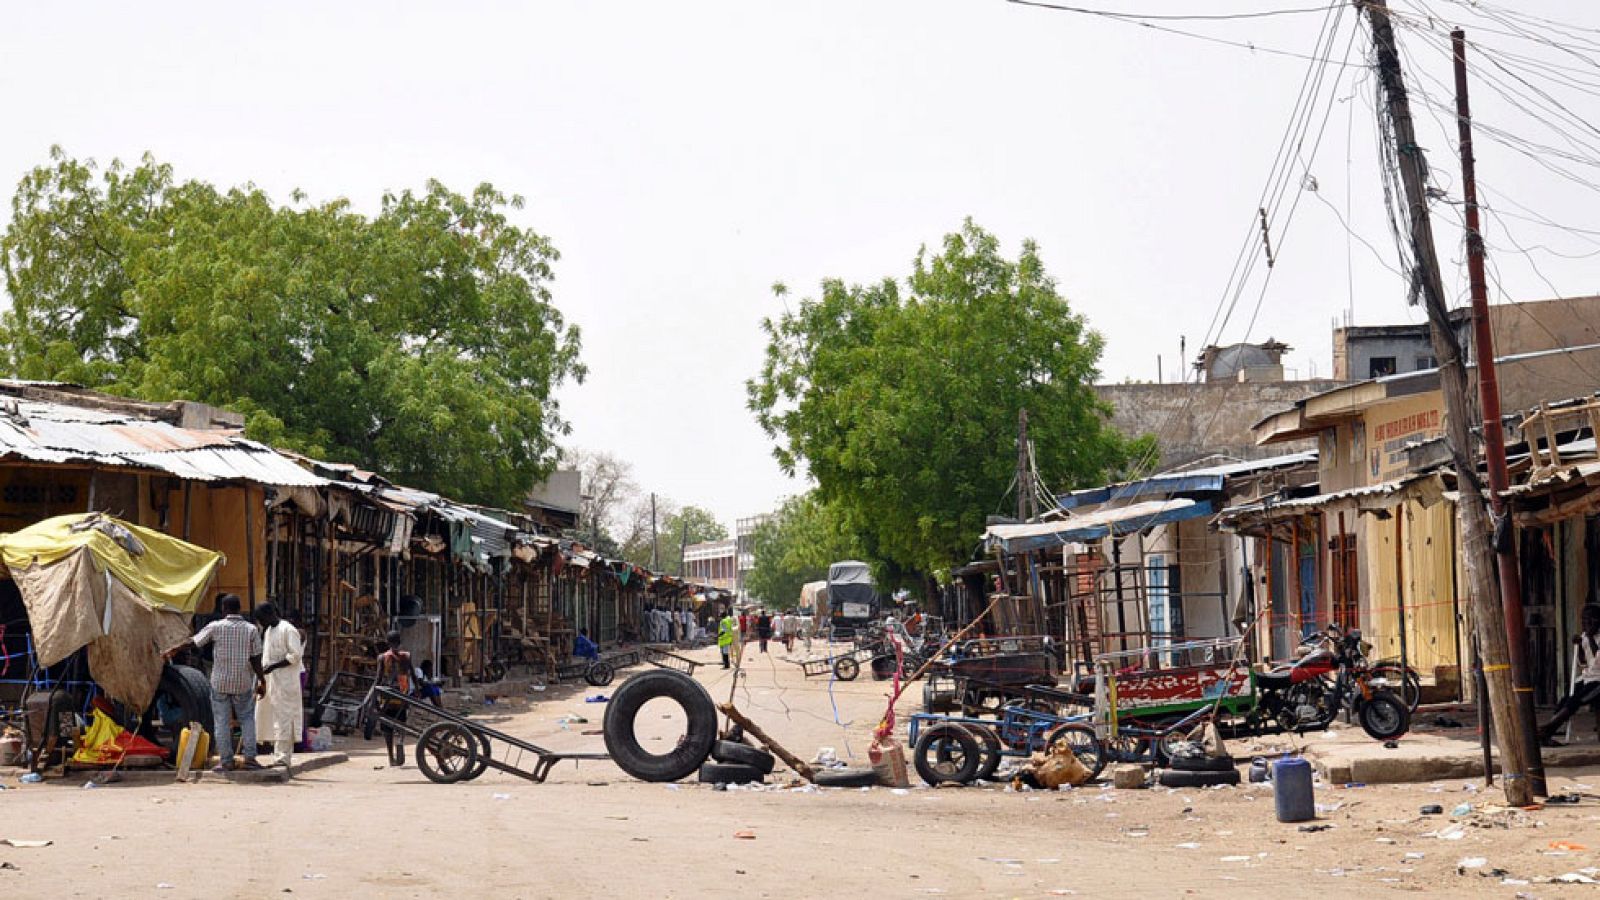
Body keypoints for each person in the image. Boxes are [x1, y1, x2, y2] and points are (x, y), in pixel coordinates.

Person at [165, 593, 264, 774]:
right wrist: (262, 679)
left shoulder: (216, 627)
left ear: (223, 609)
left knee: (221, 721)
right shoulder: (251, 629)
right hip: (243, 681)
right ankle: (250, 758)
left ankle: (226, 761)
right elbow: (256, 658)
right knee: (247, 719)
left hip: (220, 681)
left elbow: (193, 642)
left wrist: (174, 649)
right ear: (239, 609)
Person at [1539, 604, 1600, 746]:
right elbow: (1583, 663)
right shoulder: (1585, 636)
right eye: (1584, 620)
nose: (1586, 624)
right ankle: (1549, 730)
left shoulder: (1593, 637)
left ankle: (1546, 730)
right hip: (1587, 677)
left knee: (1576, 700)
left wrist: (1590, 639)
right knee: (1566, 698)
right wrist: (1579, 647)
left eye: (1590, 620)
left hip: (1598, 681)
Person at [253, 602, 303, 769]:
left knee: (284, 719)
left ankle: (283, 758)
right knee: (271, 718)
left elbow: (295, 656)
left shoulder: (288, 629)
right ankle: (276, 755)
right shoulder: (268, 631)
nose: (261, 623)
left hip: (286, 683)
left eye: (261, 619)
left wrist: (273, 666)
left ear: (269, 614)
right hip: (272, 682)